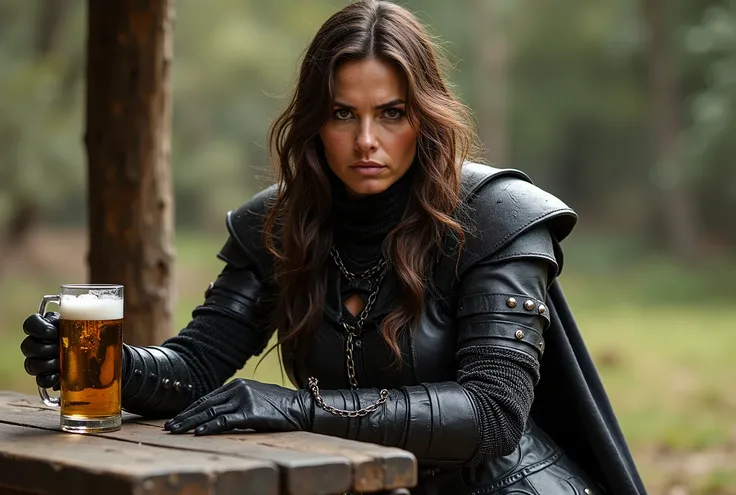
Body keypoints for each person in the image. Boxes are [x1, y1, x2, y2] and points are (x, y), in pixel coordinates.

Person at [20, 1, 647, 494]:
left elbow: (491, 413)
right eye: (344, 114)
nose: (367, 140)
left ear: (424, 117)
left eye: (392, 113)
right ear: (315, 122)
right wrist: (110, 368)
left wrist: (298, 409)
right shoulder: (280, 223)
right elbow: (197, 368)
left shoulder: (495, 219)